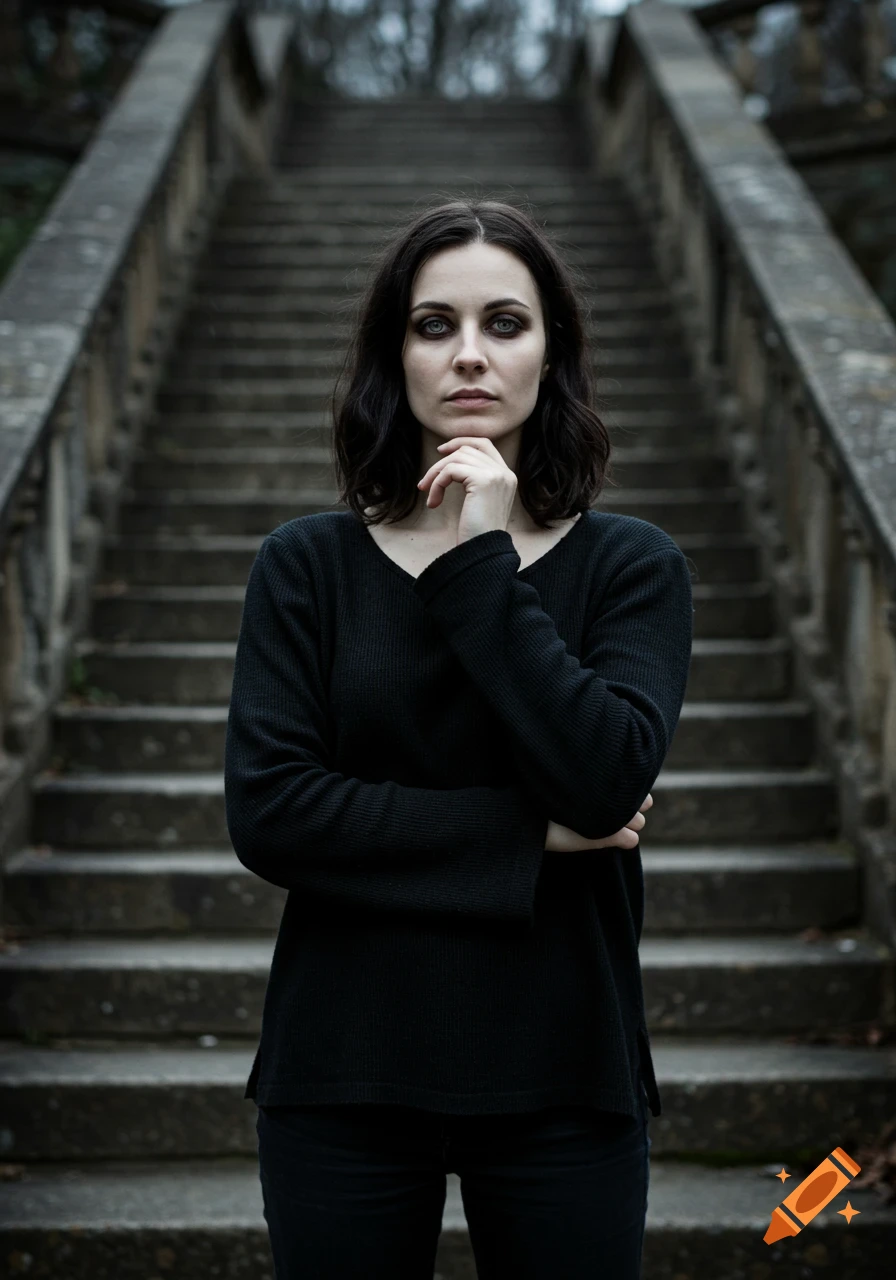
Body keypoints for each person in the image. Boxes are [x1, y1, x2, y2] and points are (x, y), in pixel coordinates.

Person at [224, 196, 694, 1279]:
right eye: (434, 324)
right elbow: (274, 813)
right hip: (342, 1062)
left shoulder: (631, 566)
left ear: (551, 350)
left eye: (505, 323)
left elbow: (604, 772)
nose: (469, 354)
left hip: (565, 1064)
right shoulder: (305, 567)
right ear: (395, 353)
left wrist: (482, 552)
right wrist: (528, 836)